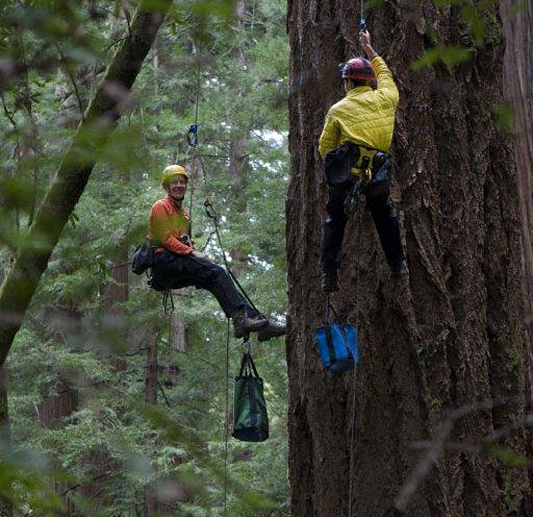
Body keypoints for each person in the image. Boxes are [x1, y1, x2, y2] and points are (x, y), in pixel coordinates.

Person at [147, 164, 286, 341]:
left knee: (215, 280)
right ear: (167, 187)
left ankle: (260, 324)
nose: (179, 185)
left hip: (174, 263)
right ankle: (240, 321)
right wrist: (193, 253)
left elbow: (181, 240)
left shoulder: (183, 215)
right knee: (218, 272)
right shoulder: (160, 206)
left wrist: (193, 252)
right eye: (175, 182)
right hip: (163, 262)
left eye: (182, 182)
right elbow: (165, 239)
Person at [318, 29, 406, 293]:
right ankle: (397, 264)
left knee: (335, 217)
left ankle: (329, 273)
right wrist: (370, 49)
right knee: (383, 215)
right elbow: (387, 76)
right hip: (377, 171)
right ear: (370, 82)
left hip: (348, 173)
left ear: (348, 83)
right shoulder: (387, 98)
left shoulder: (338, 109)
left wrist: (339, 168)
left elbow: (326, 147)